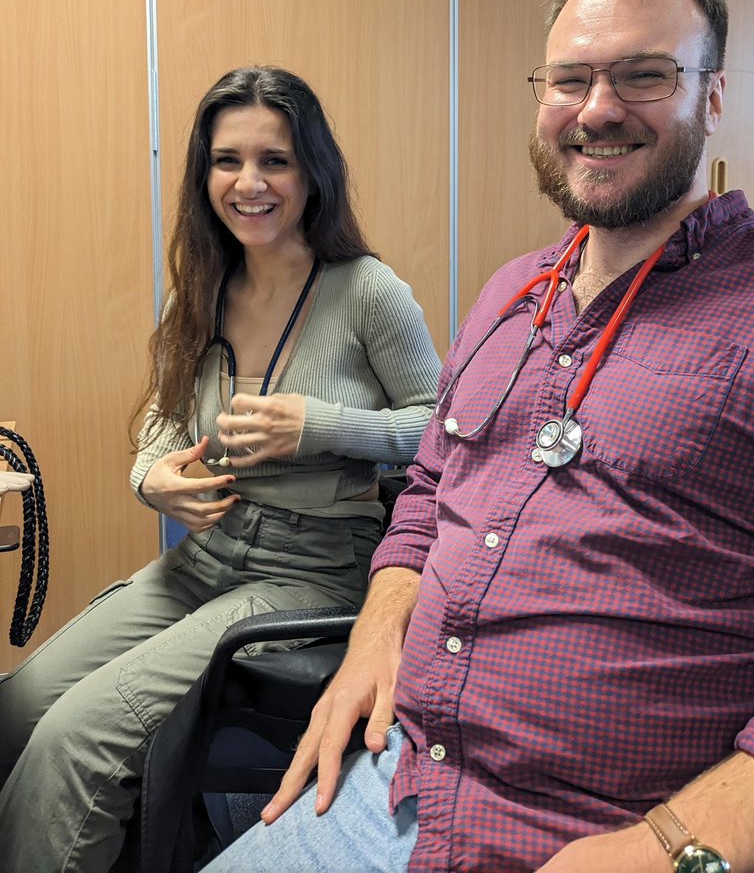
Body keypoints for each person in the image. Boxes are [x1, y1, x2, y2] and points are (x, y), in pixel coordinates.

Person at [205, 0, 754, 873]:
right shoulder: (509, 295)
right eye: (571, 78)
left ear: (714, 95)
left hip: (616, 830)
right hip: (397, 784)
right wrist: (380, 629)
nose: (599, 108)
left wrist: (673, 848)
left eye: (645, 75)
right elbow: (424, 492)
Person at [0, 66, 441, 872]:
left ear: (313, 172)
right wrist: (151, 478)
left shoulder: (368, 293)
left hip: (313, 570)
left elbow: (447, 431)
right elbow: (165, 421)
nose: (250, 182)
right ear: (204, 174)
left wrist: (322, 426)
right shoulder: (200, 290)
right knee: (19, 703)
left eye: (274, 159)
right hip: (204, 558)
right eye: (227, 160)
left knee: (76, 739)